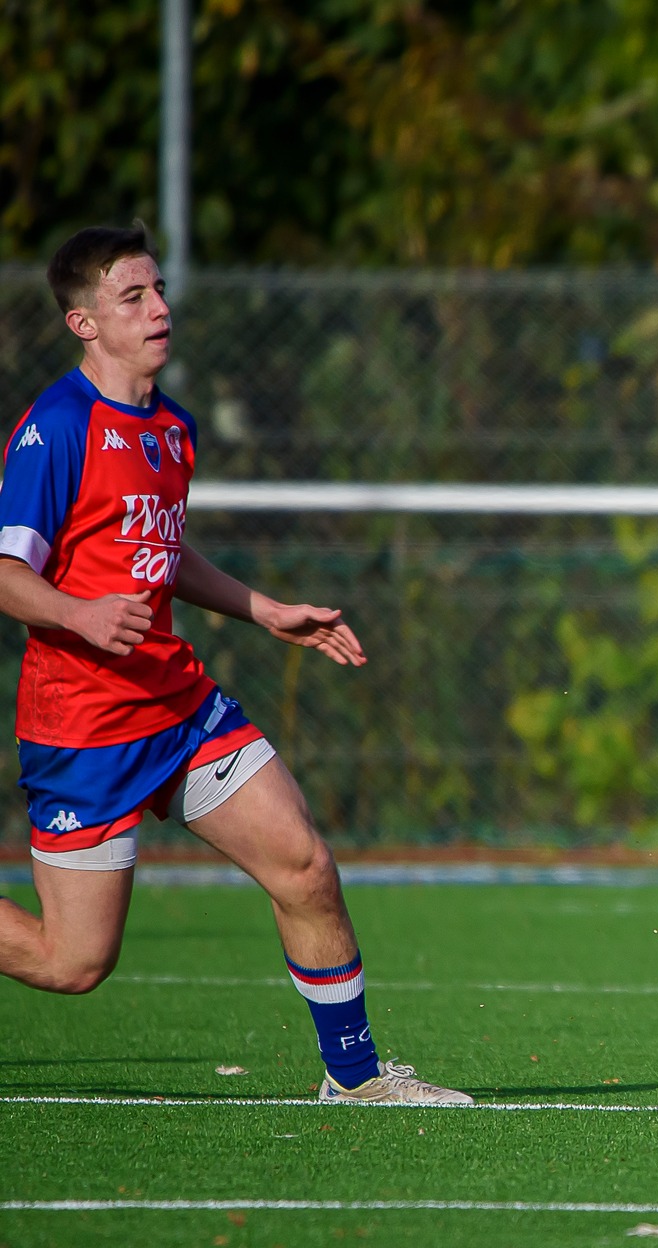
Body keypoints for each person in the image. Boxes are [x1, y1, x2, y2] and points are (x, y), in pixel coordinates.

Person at [0, 224, 469, 1106]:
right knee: (73, 963)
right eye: (133, 296)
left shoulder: (173, 428)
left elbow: (159, 552)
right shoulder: (55, 429)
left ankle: (356, 1077)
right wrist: (78, 612)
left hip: (177, 704)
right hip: (84, 727)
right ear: (83, 323)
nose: (159, 308)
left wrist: (265, 609)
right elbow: (6, 571)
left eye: (159, 290)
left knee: (304, 864)